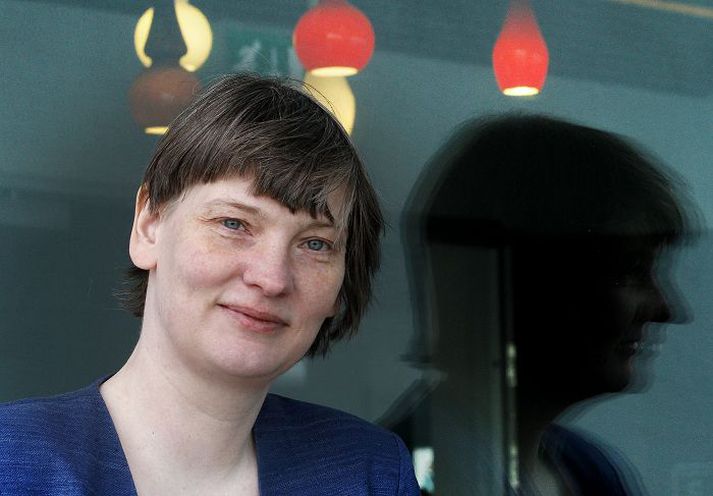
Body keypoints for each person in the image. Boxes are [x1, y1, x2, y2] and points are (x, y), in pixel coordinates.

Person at [0, 73, 420, 495]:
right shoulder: (12, 460)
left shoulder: (369, 473)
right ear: (149, 226)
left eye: (315, 244)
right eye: (233, 223)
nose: (272, 278)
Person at [391, 114, 695, 495]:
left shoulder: (591, 472)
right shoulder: (388, 479)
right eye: (631, 270)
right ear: (536, 278)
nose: (667, 309)